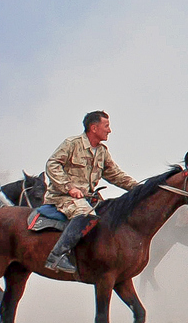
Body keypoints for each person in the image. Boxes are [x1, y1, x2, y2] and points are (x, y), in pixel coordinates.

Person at [42, 111, 139, 273]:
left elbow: (115, 175)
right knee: (85, 214)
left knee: (111, 216)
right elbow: (52, 165)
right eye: (106, 126)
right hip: (62, 197)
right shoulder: (72, 143)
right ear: (94, 128)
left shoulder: (102, 152)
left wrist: (140, 188)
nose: (110, 130)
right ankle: (56, 256)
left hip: (87, 198)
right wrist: (69, 188)